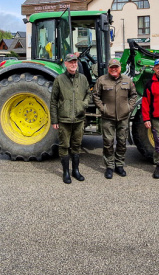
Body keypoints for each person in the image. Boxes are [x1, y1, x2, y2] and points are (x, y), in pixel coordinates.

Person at [93, 58, 139, 179]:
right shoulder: (101, 80)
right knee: (108, 143)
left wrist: (129, 107)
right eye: (111, 67)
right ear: (108, 68)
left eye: (116, 67)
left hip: (123, 117)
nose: (114, 69)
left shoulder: (127, 80)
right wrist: (103, 109)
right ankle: (109, 166)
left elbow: (134, 95)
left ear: (120, 68)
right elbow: (95, 96)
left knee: (122, 142)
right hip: (108, 117)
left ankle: (119, 165)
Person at [50, 53, 90, 184]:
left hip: (79, 119)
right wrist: (54, 120)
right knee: (64, 145)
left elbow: (88, 94)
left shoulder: (83, 79)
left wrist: (83, 104)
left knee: (76, 145)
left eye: (75, 62)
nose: (73, 64)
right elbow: (53, 101)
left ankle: (76, 170)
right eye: (70, 62)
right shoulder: (59, 79)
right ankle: (66, 172)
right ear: (66, 64)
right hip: (64, 119)